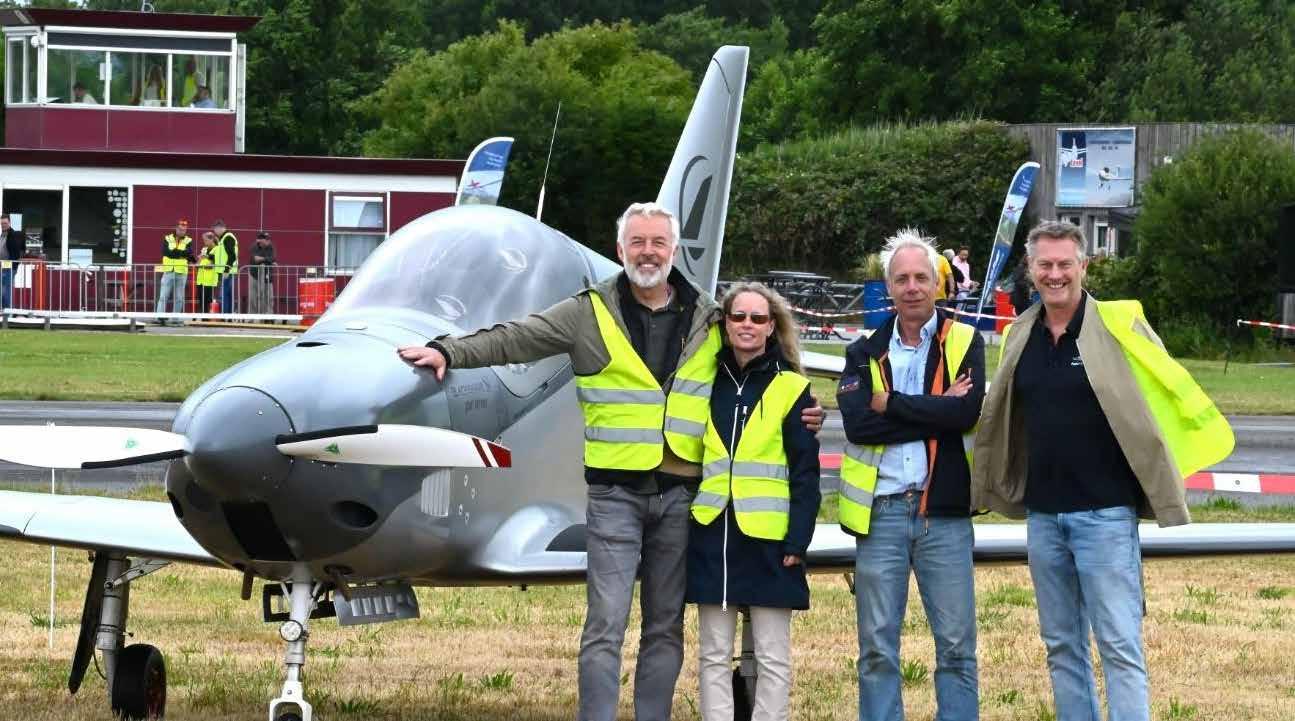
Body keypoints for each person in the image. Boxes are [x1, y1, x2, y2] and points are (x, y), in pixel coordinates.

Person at [396, 201, 822, 721]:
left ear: (673, 251)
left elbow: (762, 364)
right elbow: (517, 338)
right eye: (637, 242)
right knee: (605, 625)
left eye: (658, 243)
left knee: (665, 627)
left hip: (680, 498)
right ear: (620, 250)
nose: (648, 252)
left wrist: (807, 407)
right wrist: (449, 351)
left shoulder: (709, 316)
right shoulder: (588, 312)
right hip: (614, 497)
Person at [971, 221, 1233, 721]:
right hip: (1044, 518)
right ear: (1030, 269)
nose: (1055, 274)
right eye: (1045, 265)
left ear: (1083, 267)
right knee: (1061, 646)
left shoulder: (1118, 326)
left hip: (1106, 516)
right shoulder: (1018, 335)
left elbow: (1162, 392)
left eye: (1064, 264)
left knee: (1118, 645)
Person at [836, 228, 984, 721]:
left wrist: (893, 404)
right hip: (880, 515)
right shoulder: (863, 351)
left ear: (938, 284)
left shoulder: (964, 341)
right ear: (889, 287)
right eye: (902, 279)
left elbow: (964, 415)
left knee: (957, 647)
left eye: (922, 277)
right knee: (877, 649)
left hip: (943, 515)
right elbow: (859, 426)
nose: (913, 287)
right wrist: (936, 409)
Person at [687, 282, 820, 721]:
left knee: (772, 656)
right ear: (725, 324)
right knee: (712, 654)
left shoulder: (793, 388)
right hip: (713, 536)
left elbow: (805, 473)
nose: (747, 325)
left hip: (770, 541)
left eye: (758, 318)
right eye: (738, 316)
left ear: (771, 327)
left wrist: (797, 541)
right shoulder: (703, 384)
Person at [156, 219, 194, 324]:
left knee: (179, 297)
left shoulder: (189, 240)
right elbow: (166, 252)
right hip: (169, 270)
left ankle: (175, 319)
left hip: (181, 272)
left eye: (184, 230)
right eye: (180, 230)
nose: (182, 232)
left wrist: (174, 253)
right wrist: (181, 254)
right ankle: (160, 317)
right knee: (163, 295)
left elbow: (189, 253)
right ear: (176, 228)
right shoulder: (167, 238)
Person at [212, 219, 238, 313]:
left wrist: (227, 270)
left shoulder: (228, 238)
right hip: (226, 271)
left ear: (219, 228)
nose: (214, 232)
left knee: (223, 295)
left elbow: (232, 256)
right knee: (227, 295)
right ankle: (228, 315)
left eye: (214, 229)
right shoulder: (223, 239)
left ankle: (225, 315)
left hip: (227, 272)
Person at [247, 231, 276, 315]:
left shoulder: (270, 246)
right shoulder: (254, 247)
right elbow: (256, 259)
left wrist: (263, 259)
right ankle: (252, 315)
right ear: (259, 240)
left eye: (268, 239)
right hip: (254, 275)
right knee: (253, 296)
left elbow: (273, 258)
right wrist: (268, 260)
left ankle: (268, 315)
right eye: (266, 239)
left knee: (268, 296)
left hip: (267, 274)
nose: (268, 241)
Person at [1, 214, 24, 309]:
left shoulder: (13, 235)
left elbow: (16, 254)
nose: (3, 225)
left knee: (6, 290)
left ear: (10, 223)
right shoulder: (3, 235)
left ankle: (8, 311)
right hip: (3, 267)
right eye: (2, 223)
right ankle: (4, 310)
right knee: (3, 290)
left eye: (5, 223)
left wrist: (9, 265)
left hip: (9, 267)